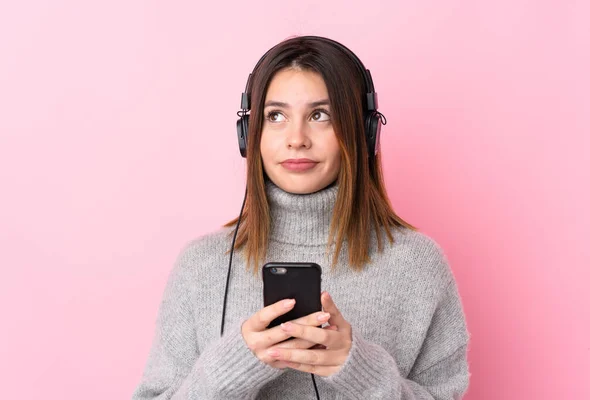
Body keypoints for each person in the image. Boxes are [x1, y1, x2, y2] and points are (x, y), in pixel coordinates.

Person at [132, 36, 471, 400]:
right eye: (275, 116)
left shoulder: (417, 263)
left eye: (320, 115)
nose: (296, 138)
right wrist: (231, 369)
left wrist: (359, 372)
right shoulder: (201, 265)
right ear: (250, 135)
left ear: (363, 131)